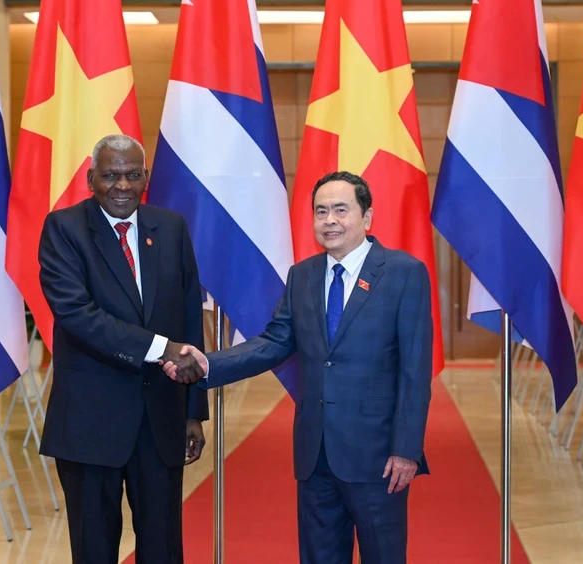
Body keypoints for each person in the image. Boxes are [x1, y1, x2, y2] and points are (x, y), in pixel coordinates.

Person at [164, 171, 432, 564]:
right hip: (315, 453)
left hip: (377, 455)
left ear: (367, 217)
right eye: (321, 211)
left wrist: (406, 450)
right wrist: (207, 363)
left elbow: (414, 370)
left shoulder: (403, 273)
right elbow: (274, 342)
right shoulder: (302, 275)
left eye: (341, 210)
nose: (329, 220)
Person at [37, 134, 208, 564]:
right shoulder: (64, 228)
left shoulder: (170, 227)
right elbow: (78, 316)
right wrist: (160, 348)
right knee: (94, 548)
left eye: (133, 175)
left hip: (161, 420)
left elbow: (189, 319)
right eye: (111, 175)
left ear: (146, 177)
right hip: (90, 422)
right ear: (91, 178)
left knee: (164, 546)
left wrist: (192, 411)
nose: (122, 186)